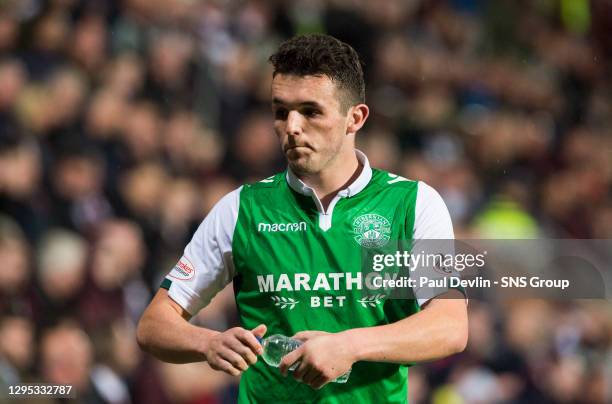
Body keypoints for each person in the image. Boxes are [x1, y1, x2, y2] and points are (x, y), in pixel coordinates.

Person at [137, 34, 468, 403]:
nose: (292, 126)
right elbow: (153, 325)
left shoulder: (414, 204)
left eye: (311, 111)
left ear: (354, 118)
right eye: (281, 112)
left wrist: (350, 346)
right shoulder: (240, 210)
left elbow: (450, 326)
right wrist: (208, 341)